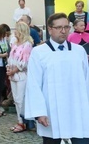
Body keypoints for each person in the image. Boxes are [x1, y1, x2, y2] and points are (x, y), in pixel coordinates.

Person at [24, 13, 89, 143]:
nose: (63, 31)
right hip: (51, 111)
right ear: (50, 29)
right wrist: (39, 112)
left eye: (66, 27)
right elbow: (34, 84)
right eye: (59, 27)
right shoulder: (39, 52)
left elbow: (86, 80)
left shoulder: (79, 51)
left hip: (77, 108)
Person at [6, 22, 33, 133]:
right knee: (16, 100)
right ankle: (19, 120)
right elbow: (10, 58)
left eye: (16, 29)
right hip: (13, 75)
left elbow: (25, 62)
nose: (14, 32)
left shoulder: (27, 45)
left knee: (21, 99)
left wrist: (14, 70)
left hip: (21, 75)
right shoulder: (15, 44)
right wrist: (9, 69)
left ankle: (24, 122)